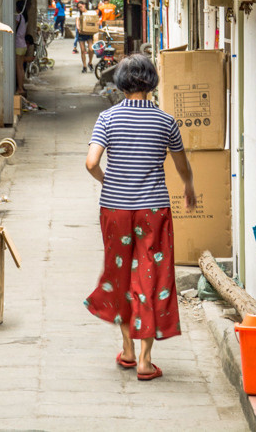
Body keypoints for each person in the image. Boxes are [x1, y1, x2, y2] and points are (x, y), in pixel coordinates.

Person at [85, 54, 196, 381]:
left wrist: (109, 182)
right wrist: (189, 186)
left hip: (115, 210)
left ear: (120, 82)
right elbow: (182, 166)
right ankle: (146, 360)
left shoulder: (107, 118)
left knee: (119, 275)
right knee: (151, 277)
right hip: (153, 211)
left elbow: (91, 162)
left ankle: (128, 351)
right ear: (152, 82)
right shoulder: (165, 121)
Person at [75, 1, 94, 72]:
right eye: (79, 7)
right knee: (83, 50)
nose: (80, 8)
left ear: (84, 5)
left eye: (81, 6)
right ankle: (84, 66)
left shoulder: (90, 13)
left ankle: (90, 62)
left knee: (91, 49)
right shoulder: (78, 14)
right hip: (81, 33)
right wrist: (78, 28)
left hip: (89, 33)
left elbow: (94, 21)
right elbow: (77, 22)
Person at [14, 0, 27, 94]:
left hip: (18, 44)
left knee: (18, 67)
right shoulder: (25, 17)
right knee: (21, 67)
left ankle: (20, 89)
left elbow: (14, 26)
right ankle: (22, 86)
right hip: (23, 45)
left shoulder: (18, 16)